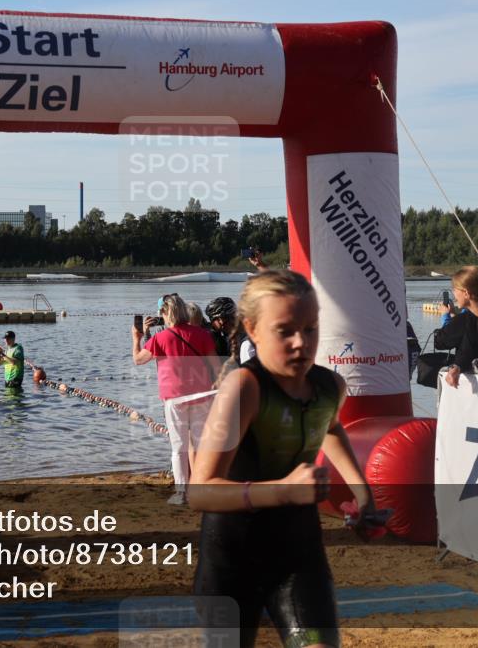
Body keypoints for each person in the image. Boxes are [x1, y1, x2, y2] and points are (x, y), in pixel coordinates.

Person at [189, 270, 384, 648]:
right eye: (285, 331)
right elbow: (200, 491)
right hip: (231, 560)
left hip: (297, 557)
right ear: (253, 329)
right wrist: (281, 491)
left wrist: (365, 498)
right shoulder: (243, 388)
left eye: (311, 329)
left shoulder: (330, 386)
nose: (301, 343)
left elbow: (330, 427)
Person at [132, 293, 221, 505]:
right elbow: (216, 367)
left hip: (174, 397)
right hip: (202, 394)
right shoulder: (202, 335)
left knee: (179, 447)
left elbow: (138, 360)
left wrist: (136, 338)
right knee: (199, 445)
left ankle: (182, 493)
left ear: (165, 313)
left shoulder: (160, 339)